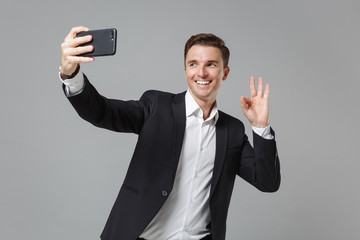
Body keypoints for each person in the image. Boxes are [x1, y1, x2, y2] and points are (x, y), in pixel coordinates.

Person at [59, 26, 281, 240]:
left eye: (211, 64)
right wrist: (71, 75)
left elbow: (267, 182)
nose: (201, 72)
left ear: (225, 73)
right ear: (186, 70)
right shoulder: (156, 106)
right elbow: (101, 111)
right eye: (193, 64)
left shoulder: (232, 130)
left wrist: (260, 126)